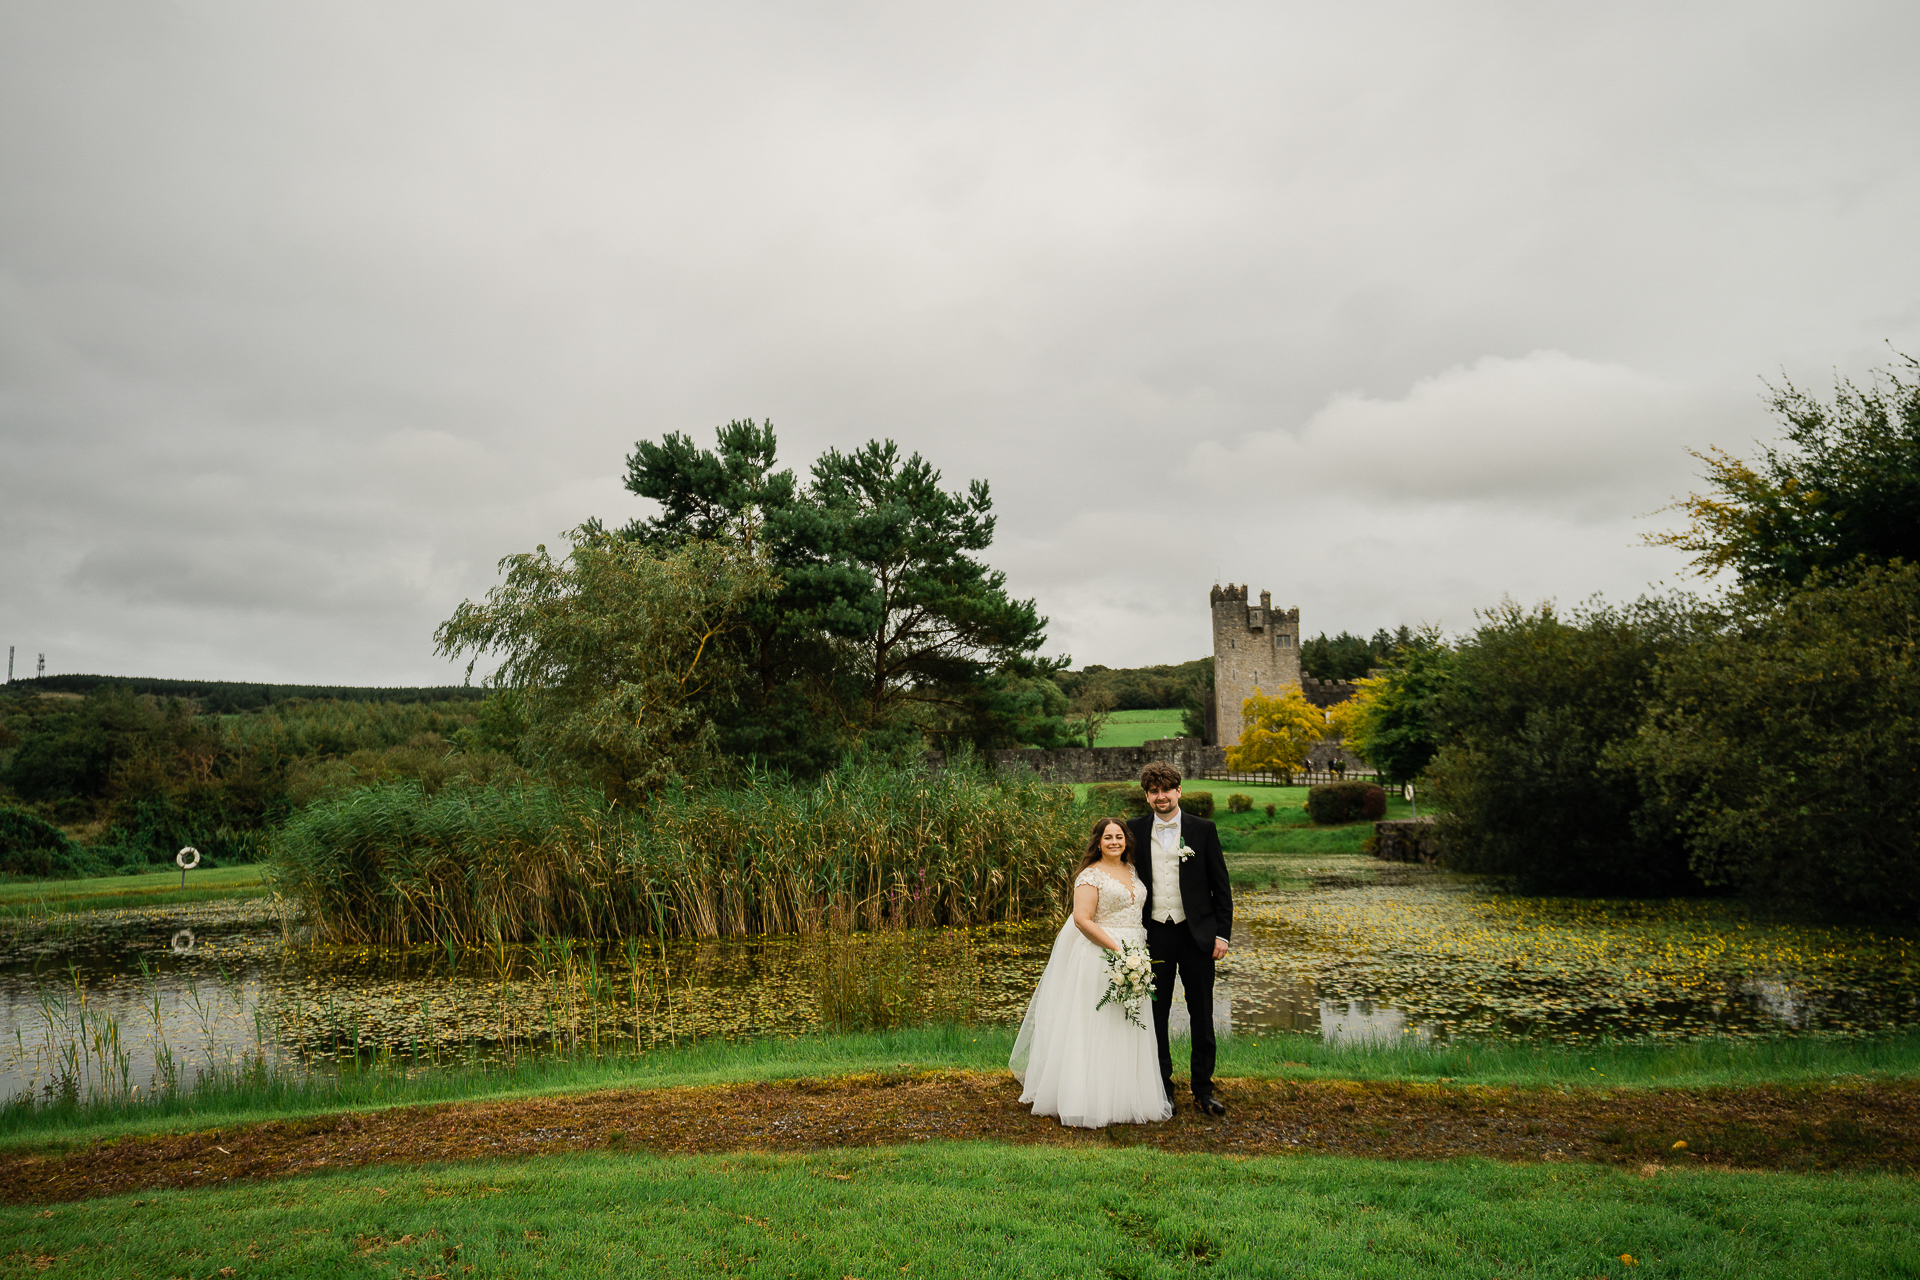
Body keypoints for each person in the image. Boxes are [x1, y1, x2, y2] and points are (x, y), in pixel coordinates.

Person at [1009, 817, 1173, 1128]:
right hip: (1101, 957)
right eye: (1108, 837)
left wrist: (1135, 957)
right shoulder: (1090, 876)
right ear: (1097, 842)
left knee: (1127, 1024)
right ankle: (1087, 1098)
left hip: (1135, 955)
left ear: (1127, 841)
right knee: (1096, 1025)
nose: (1114, 842)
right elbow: (1083, 920)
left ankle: (1126, 1098)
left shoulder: (1133, 870)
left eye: (1119, 836)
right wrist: (1118, 951)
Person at [1128, 761, 1233, 1116]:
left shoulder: (1203, 830)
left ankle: (1204, 1090)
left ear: (1179, 791)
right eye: (1154, 791)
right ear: (1147, 797)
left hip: (1197, 935)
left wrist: (1222, 934)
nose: (1161, 796)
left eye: (1166, 790)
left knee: (1202, 1013)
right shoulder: (1134, 831)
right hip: (1153, 935)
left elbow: (1221, 887)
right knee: (1155, 1015)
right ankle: (1163, 1089)